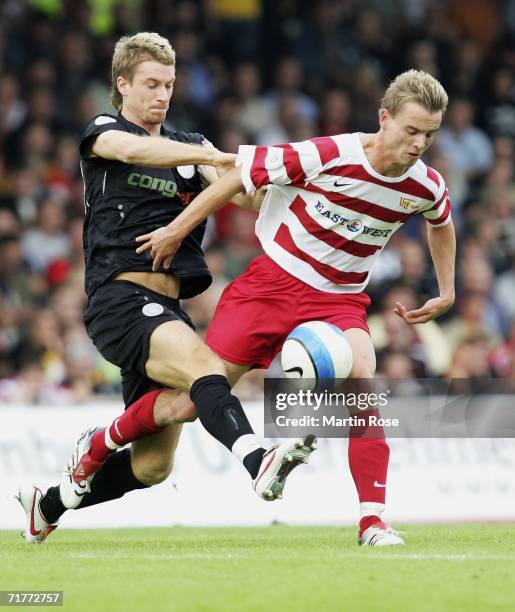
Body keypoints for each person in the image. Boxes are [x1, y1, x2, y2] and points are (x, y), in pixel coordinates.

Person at [16, 32, 316, 544]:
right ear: (123, 84)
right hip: (119, 298)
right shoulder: (104, 131)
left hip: (166, 308)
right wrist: (216, 158)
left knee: (153, 466)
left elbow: (251, 199)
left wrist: (301, 180)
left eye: (169, 85)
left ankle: (48, 504)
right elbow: (136, 149)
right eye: (151, 84)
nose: (162, 95)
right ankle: (257, 461)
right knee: (205, 368)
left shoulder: (192, 148)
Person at [135, 69, 456, 546]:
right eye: (411, 131)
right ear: (384, 118)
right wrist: (178, 229)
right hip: (272, 283)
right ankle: (101, 443)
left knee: (362, 387)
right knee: (191, 400)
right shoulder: (329, 154)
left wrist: (447, 289)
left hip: (341, 298)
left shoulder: (424, 184)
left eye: (429, 135)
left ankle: (373, 521)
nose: (418, 144)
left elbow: (440, 220)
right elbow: (238, 178)